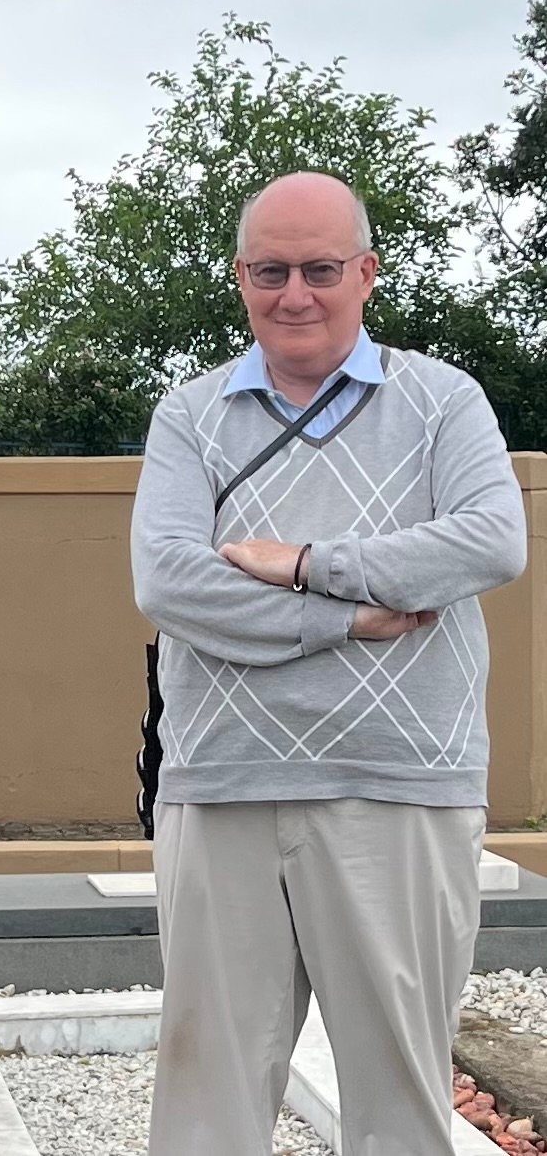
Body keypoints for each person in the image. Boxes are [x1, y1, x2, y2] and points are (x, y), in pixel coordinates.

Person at [130, 170, 527, 1156]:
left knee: (399, 1104)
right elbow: (170, 581)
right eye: (269, 270)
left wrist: (306, 561)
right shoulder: (188, 415)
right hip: (222, 783)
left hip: (399, 782)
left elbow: (488, 540)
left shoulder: (441, 401)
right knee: (204, 1106)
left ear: (365, 272)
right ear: (239, 277)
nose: (294, 293)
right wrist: (346, 616)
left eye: (318, 268)